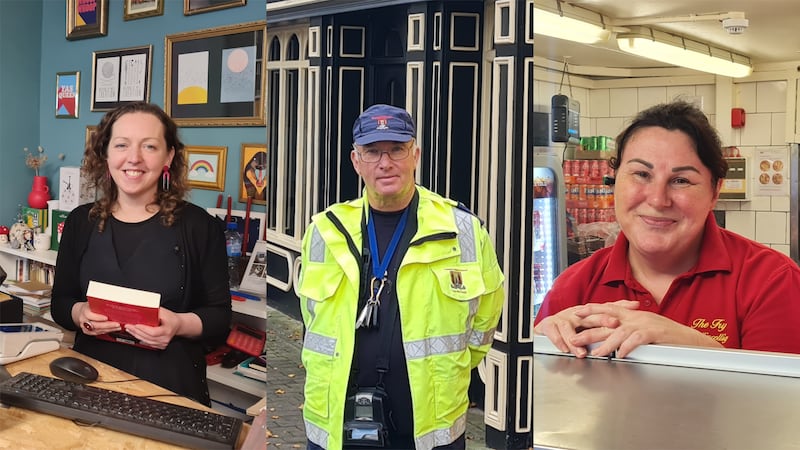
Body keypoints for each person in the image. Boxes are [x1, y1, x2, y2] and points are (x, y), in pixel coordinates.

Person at [297, 104, 505, 450]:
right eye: (373, 151)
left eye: (396, 149)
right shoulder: (324, 229)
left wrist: (451, 369)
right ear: (355, 161)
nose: (385, 162)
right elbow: (311, 317)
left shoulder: (461, 228)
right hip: (337, 419)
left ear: (415, 155)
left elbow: (486, 314)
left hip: (429, 422)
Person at [534, 100, 800, 358]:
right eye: (641, 174)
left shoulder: (772, 282)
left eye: (681, 180)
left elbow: (783, 401)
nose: (658, 199)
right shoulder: (574, 287)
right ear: (615, 180)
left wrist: (697, 346)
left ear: (715, 191)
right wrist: (545, 349)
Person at [51, 102, 232, 405]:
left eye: (149, 146)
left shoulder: (200, 227)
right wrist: (79, 313)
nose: (133, 158)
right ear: (106, 152)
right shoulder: (80, 222)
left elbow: (219, 317)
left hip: (171, 389)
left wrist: (178, 324)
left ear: (168, 156)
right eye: (121, 145)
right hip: (91, 379)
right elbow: (60, 304)